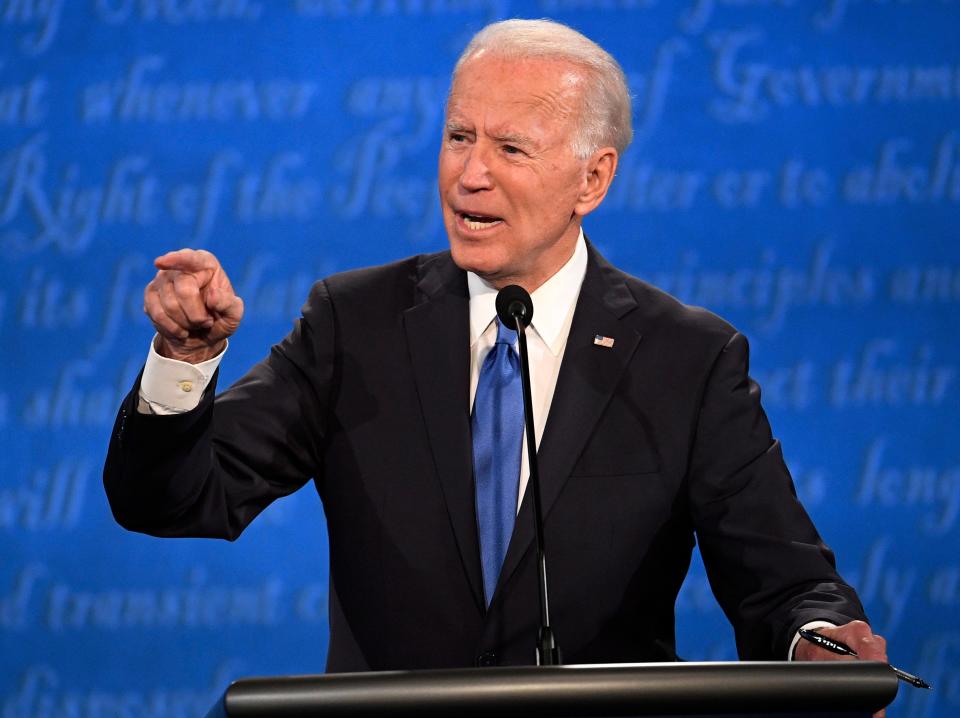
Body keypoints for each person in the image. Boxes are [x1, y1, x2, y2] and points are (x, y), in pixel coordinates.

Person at [104, 18, 889, 679]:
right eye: (457, 137)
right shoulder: (355, 324)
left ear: (593, 179)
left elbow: (784, 582)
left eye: (511, 149)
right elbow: (171, 499)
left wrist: (815, 639)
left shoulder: (686, 358)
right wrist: (182, 360)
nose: (469, 175)